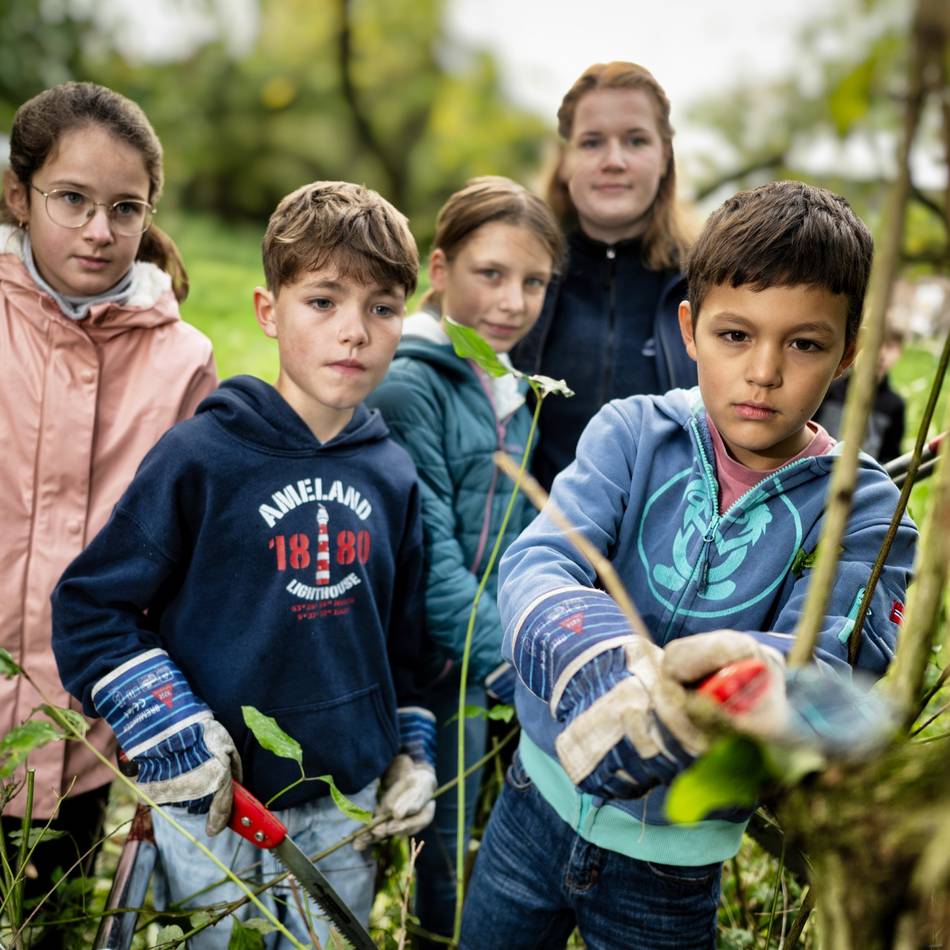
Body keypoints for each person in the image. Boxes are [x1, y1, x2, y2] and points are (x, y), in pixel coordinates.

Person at [460, 180, 918, 949]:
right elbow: (539, 562)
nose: (764, 371)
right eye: (735, 335)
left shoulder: (864, 511)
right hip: (532, 805)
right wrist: (604, 667)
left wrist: (708, 693)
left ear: (849, 353)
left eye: (804, 343)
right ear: (690, 328)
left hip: (674, 863)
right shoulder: (631, 434)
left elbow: (835, 662)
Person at [51, 181, 436, 949]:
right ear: (268, 311)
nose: (354, 332)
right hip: (213, 798)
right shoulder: (202, 457)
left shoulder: (393, 473)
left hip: (344, 802)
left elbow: (406, 641)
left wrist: (410, 750)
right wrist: (168, 726)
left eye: (382, 308)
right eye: (323, 302)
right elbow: (91, 608)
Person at [0, 81, 216, 943]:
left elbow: (186, 556)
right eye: (72, 200)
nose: (99, 229)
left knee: (47, 924)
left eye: (125, 208)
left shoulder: (183, 360)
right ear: (20, 196)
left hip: (82, 742)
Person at [365, 176, 564, 943]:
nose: (513, 301)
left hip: (477, 665)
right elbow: (433, 562)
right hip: (423, 667)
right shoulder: (413, 385)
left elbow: (517, 544)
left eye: (534, 281)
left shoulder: (510, 391)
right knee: (426, 864)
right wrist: (522, 668)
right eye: (491, 274)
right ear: (440, 271)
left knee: (464, 861)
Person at [513, 61, 697, 491]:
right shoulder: (514, 280)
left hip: (672, 549)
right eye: (591, 142)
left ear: (665, 156)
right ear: (563, 160)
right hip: (530, 542)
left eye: (635, 140)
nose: (613, 161)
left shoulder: (713, 281)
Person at [815, 324, 906, 463]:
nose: (881, 354)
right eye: (874, 344)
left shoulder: (895, 404)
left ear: (900, 352)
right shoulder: (830, 389)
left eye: (889, 347)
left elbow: (890, 455)